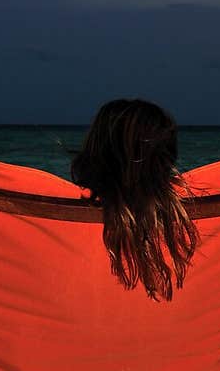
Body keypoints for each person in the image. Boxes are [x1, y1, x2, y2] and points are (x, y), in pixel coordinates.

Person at [70, 98, 198, 302]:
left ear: (93, 153)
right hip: (177, 332)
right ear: (167, 157)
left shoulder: (62, 220)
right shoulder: (193, 225)